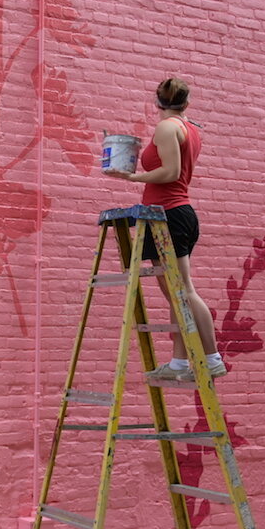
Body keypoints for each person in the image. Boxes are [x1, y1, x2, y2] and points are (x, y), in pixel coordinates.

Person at [103, 77, 226, 381]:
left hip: (171, 214)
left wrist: (131, 178)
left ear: (157, 102)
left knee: (184, 290)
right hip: (169, 215)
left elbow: (170, 172)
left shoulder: (167, 127)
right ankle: (180, 363)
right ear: (187, 102)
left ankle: (212, 358)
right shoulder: (189, 129)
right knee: (176, 293)